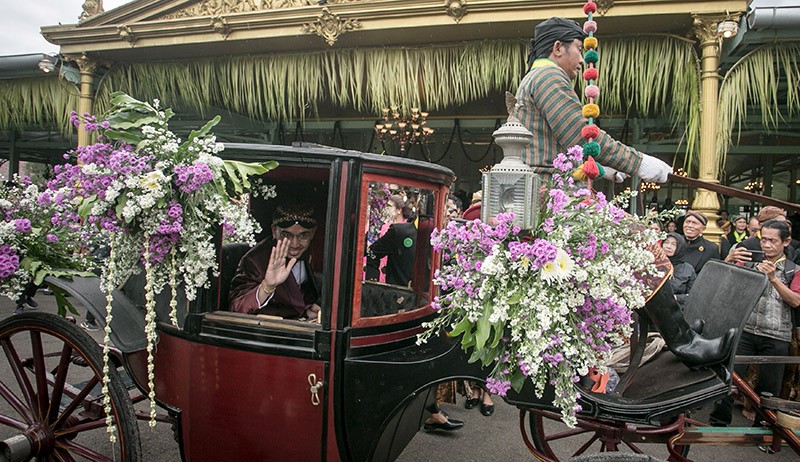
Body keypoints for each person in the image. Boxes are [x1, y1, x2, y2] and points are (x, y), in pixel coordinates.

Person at [515, 17, 672, 184]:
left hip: (537, 186)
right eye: (579, 49)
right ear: (558, 48)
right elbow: (580, 134)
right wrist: (639, 163)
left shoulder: (533, 77)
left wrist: (601, 168)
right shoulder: (549, 76)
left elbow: (554, 146)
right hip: (547, 189)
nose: (582, 60)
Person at [710, 219, 800, 428]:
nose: (766, 245)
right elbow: (724, 283)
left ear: (786, 242)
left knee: (770, 388)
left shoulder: (793, 270)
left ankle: (763, 429)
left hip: (776, 334)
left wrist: (774, 279)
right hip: (746, 329)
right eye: (763, 239)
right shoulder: (751, 263)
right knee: (729, 378)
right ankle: (717, 424)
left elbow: (796, 301)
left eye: (772, 241)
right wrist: (729, 260)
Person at [229, 201, 321, 321]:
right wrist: (267, 286)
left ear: (313, 233)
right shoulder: (255, 261)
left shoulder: (310, 252)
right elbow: (236, 308)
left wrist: (307, 310)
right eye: (286, 235)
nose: (295, 244)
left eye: (303, 235)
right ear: (274, 230)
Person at [661, 233, 696, 310]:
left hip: (678, 309)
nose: (668, 246)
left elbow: (693, 296)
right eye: (666, 242)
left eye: (674, 244)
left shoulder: (687, 269)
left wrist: (676, 298)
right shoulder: (653, 264)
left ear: (680, 248)